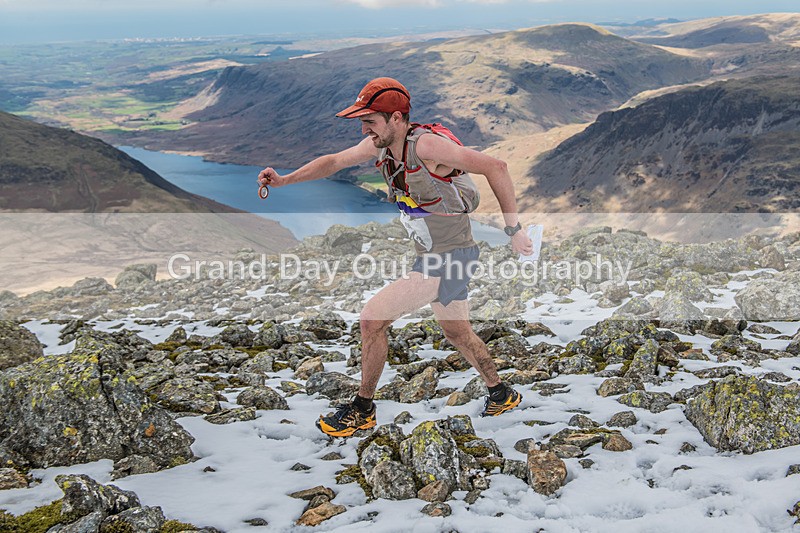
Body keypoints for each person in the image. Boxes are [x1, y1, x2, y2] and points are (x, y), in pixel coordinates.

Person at [258, 77, 533, 437]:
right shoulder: (382, 144)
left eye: (371, 121)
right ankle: (501, 392)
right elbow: (334, 162)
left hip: (448, 258)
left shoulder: (429, 147)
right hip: (441, 255)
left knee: (372, 320)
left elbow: (496, 166)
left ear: (397, 119)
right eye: (363, 122)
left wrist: (514, 230)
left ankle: (362, 409)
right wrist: (284, 180)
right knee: (457, 332)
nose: (364, 130)